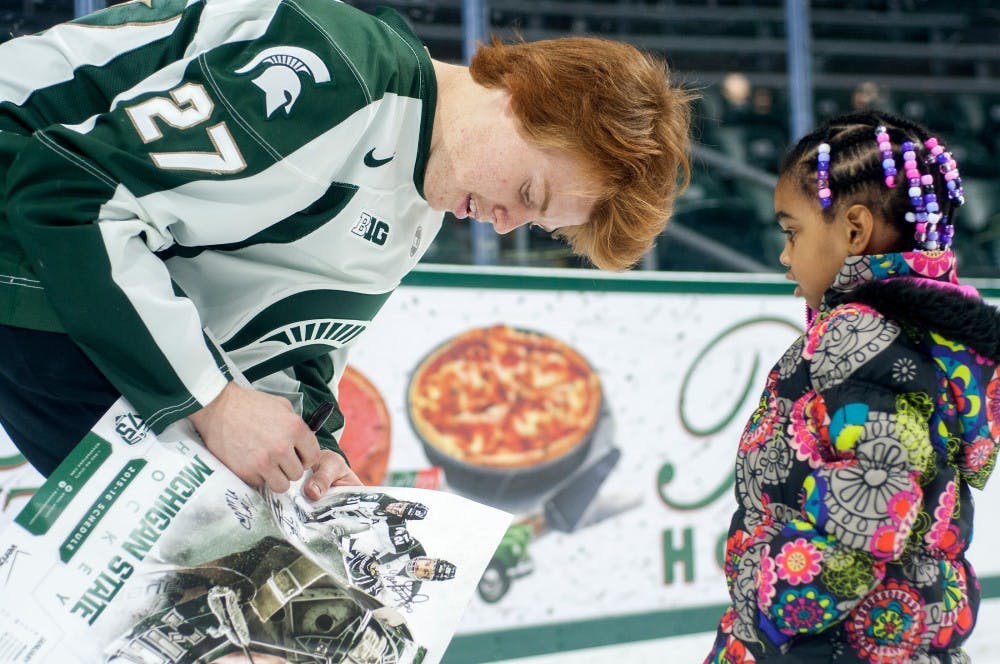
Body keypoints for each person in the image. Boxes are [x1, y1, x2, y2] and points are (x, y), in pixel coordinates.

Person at [0, 0, 693, 499]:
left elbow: (288, 348)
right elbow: (68, 193)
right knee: (200, 565)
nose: (505, 225)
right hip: (18, 194)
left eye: (535, 225)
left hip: (48, 250)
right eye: (531, 192)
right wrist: (212, 401)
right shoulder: (338, 74)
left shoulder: (427, 196)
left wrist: (313, 454)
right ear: (522, 96)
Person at [705, 110, 1000, 663]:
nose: (784, 255)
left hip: (829, 644)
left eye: (792, 232)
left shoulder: (859, 336)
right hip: (895, 635)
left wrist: (764, 611)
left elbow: (872, 513)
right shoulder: (935, 337)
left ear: (855, 230)